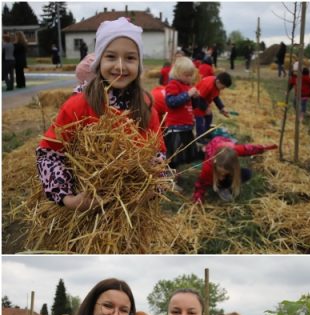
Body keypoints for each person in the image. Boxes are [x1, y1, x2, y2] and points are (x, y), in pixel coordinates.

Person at [36, 17, 166, 210]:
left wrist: (154, 187)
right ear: (99, 62)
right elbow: (48, 154)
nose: (120, 66)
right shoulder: (78, 105)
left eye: (130, 58)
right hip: (86, 214)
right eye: (111, 57)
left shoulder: (147, 108)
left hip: (134, 214)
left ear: (139, 65)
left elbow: (159, 154)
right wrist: (69, 199)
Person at [192, 135, 277, 203]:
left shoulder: (233, 151)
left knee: (247, 173)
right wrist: (198, 199)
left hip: (224, 144)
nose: (222, 176)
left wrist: (265, 148)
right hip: (214, 149)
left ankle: (227, 183)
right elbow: (200, 184)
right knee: (211, 179)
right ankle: (220, 187)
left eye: (225, 173)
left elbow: (249, 149)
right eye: (220, 173)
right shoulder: (208, 167)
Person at [163, 56, 200, 169]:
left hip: (186, 126)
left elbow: (193, 106)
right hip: (176, 127)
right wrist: (187, 94)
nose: (190, 78)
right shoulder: (173, 84)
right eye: (187, 75)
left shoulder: (187, 86)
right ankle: (170, 175)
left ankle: (177, 173)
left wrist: (195, 98)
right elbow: (171, 102)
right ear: (178, 73)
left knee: (184, 151)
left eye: (191, 75)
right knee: (174, 155)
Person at [193, 72, 232, 141]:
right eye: (223, 87)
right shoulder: (207, 85)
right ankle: (199, 137)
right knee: (200, 119)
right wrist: (205, 108)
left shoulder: (217, 86)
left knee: (209, 116)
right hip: (196, 102)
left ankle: (206, 133)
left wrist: (222, 108)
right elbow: (199, 98)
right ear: (218, 82)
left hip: (203, 100)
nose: (223, 89)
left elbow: (215, 97)